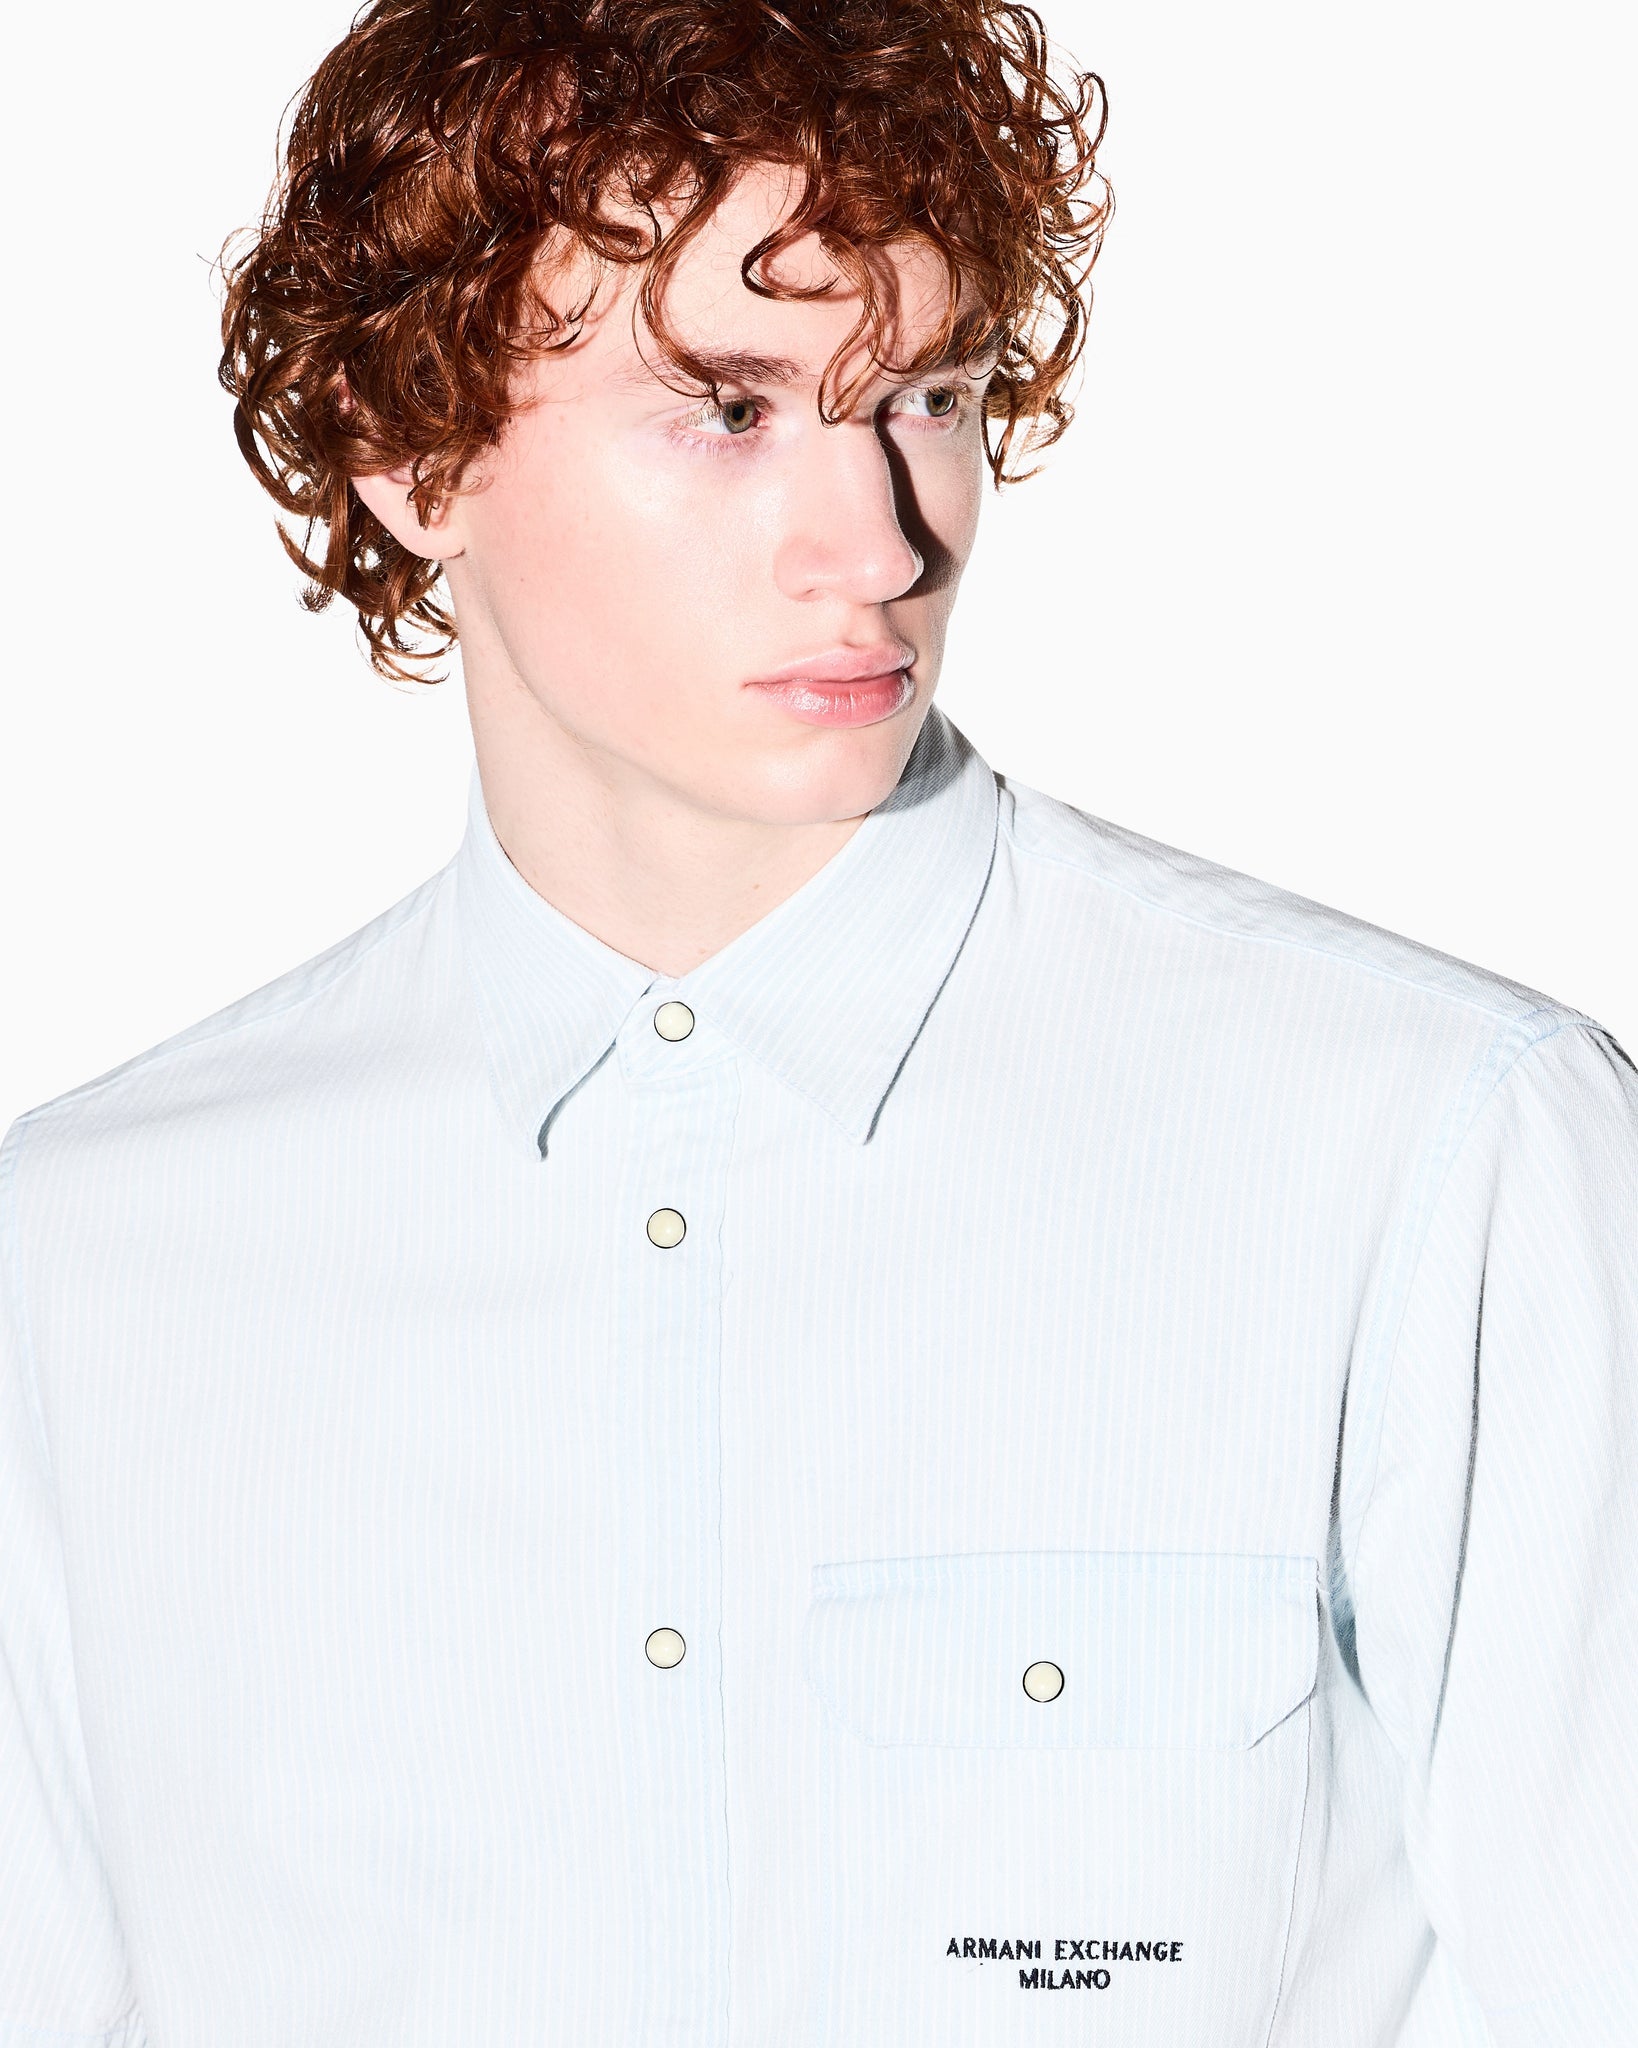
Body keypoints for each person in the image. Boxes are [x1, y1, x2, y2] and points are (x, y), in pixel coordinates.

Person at [1, 0, 1633, 2041]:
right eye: (727, 407)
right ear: (410, 450)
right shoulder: (79, 1261)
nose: (881, 544)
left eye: (926, 395)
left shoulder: (1434, 1153)